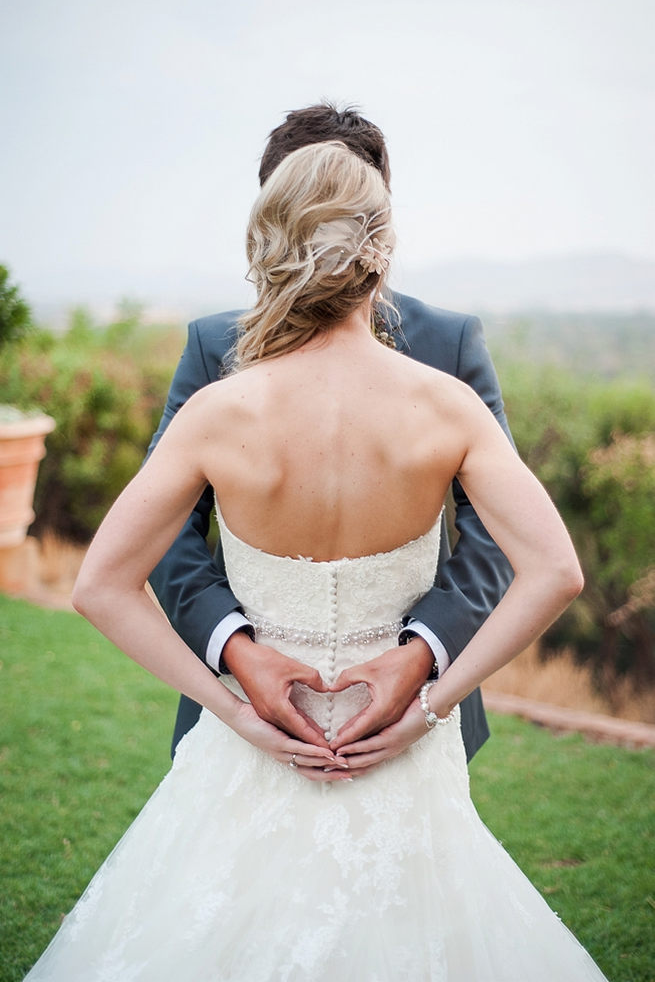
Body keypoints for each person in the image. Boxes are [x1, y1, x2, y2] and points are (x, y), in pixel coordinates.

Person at [24, 140, 608, 980]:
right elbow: (556, 570)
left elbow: (99, 587)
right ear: (380, 254)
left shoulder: (218, 412)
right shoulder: (443, 405)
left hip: (259, 736)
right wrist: (429, 705)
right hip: (396, 744)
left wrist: (231, 710)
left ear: (268, 250)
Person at [147, 103, 515, 765]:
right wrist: (235, 651)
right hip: (245, 692)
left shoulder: (448, 342)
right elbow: (166, 529)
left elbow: (496, 531)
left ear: (380, 213)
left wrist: (425, 653)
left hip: (416, 694)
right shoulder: (213, 345)